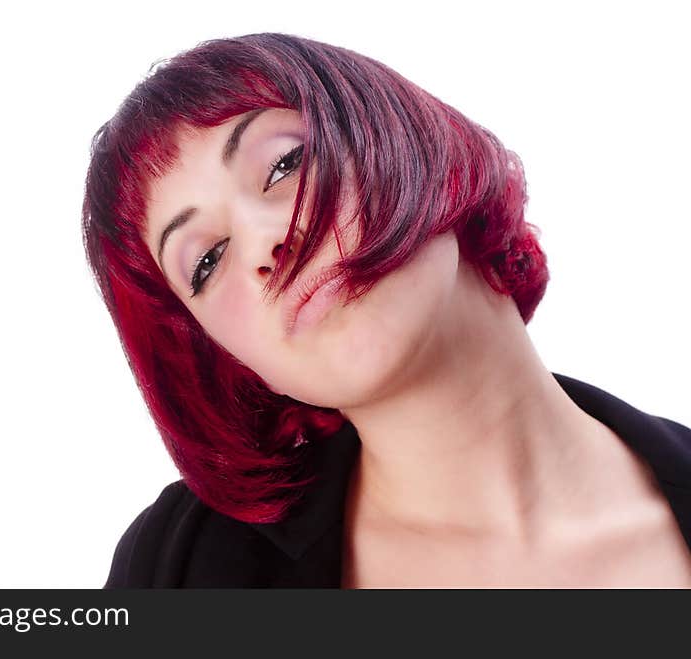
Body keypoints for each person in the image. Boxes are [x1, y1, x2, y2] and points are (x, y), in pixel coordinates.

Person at [82, 32, 691, 587]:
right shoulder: (175, 570)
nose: (267, 245)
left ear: (411, 140)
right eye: (207, 261)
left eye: (284, 166)